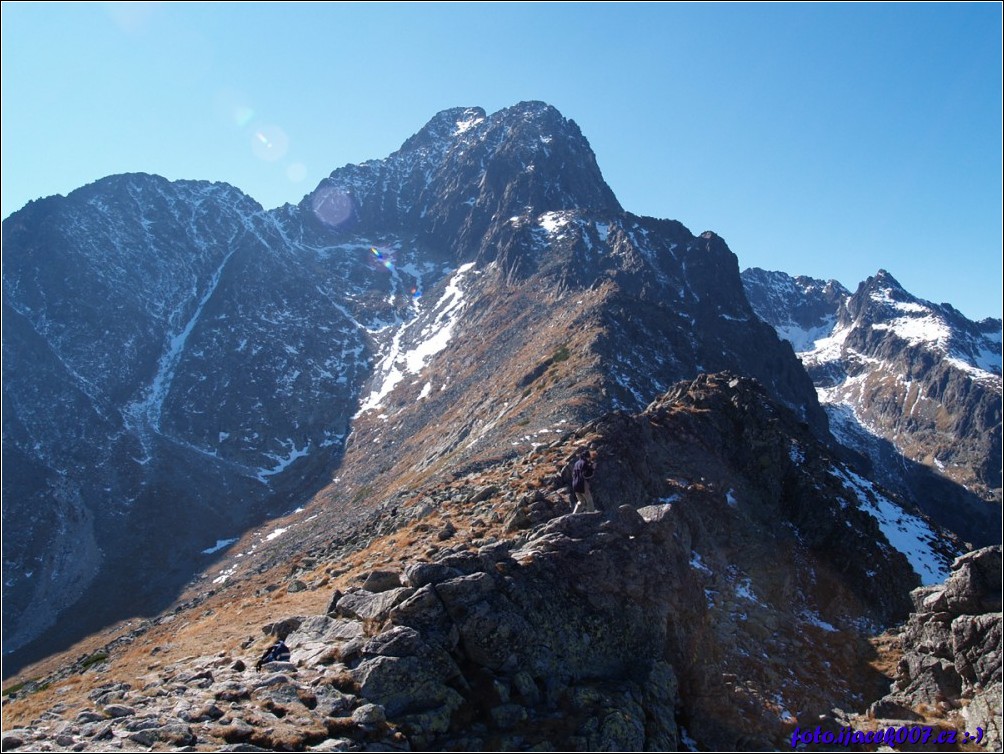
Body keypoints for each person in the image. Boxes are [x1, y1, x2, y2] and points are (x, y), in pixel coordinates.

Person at [571, 449, 596, 514]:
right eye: (589, 457)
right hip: (582, 484)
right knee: (589, 500)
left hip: (575, 484)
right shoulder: (584, 463)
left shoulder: (577, 463)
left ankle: (574, 514)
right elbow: (586, 475)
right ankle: (592, 514)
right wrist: (592, 468)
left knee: (581, 501)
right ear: (587, 457)